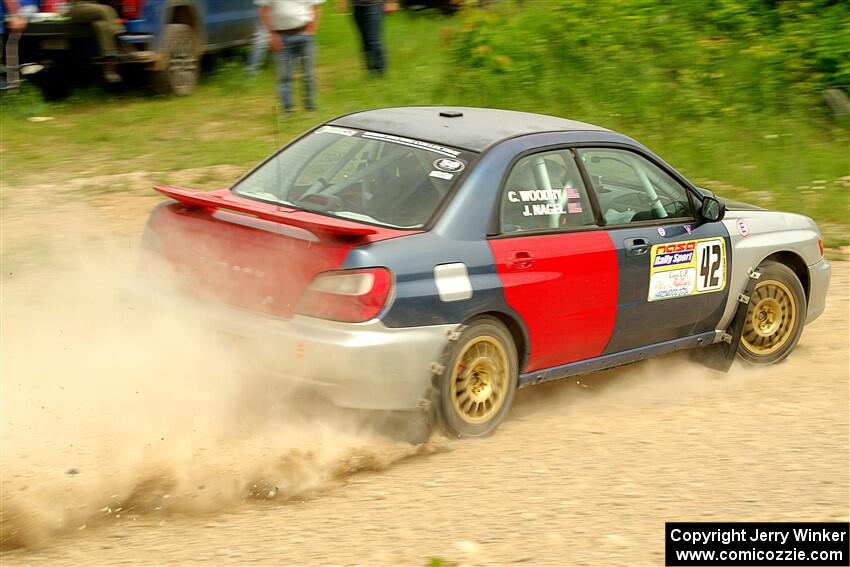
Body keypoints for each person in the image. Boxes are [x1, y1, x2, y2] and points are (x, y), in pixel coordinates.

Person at [256, 0, 323, 112]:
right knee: (284, 76)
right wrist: (272, 35)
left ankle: (310, 107)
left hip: (304, 33)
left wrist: (311, 30)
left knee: (309, 74)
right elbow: (263, 11)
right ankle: (287, 110)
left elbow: (316, 7)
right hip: (281, 36)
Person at [69, 0, 126, 82]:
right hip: (77, 9)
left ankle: (109, 65)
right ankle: (120, 39)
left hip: (94, 10)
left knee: (102, 25)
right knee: (106, 10)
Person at [349, 0, 391, 76]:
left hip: (374, 5)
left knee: (373, 40)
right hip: (357, 6)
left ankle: (380, 72)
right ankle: (371, 71)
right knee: (365, 42)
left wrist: (391, 2)